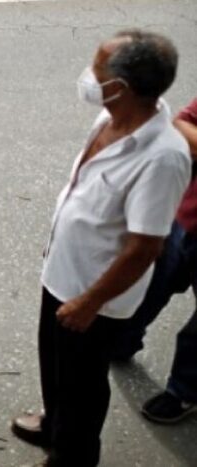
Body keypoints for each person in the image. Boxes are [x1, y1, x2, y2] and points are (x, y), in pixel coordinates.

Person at [9, 31, 190, 466]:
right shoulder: (110, 119)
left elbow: (145, 246)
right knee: (55, 369)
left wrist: (90, 301)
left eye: (97, 69)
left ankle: (72, 456)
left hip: (95, 298)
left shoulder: (163, 156)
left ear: (122, 86)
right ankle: (54, 426)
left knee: (82, 389)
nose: (88, 76)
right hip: (63, 275)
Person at [111, 95, 197, 424]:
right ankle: (122, 342)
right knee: (153, 283)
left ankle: (184, 390)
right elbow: (181, 123)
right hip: (187, 218)